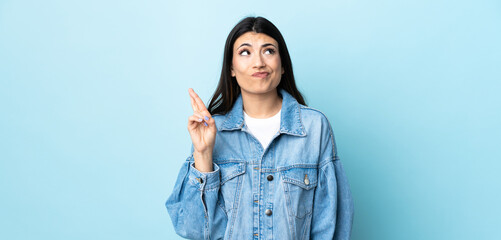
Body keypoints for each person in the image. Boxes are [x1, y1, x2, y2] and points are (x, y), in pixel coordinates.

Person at [165, 16, 354, 240]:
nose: (258, 62)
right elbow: (193, 229)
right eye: (245, 52)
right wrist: (204, 154)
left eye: (269, 51)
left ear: (282, 65)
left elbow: (332, 223)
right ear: (231, 69)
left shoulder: (314, 127)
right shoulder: (213, 130)